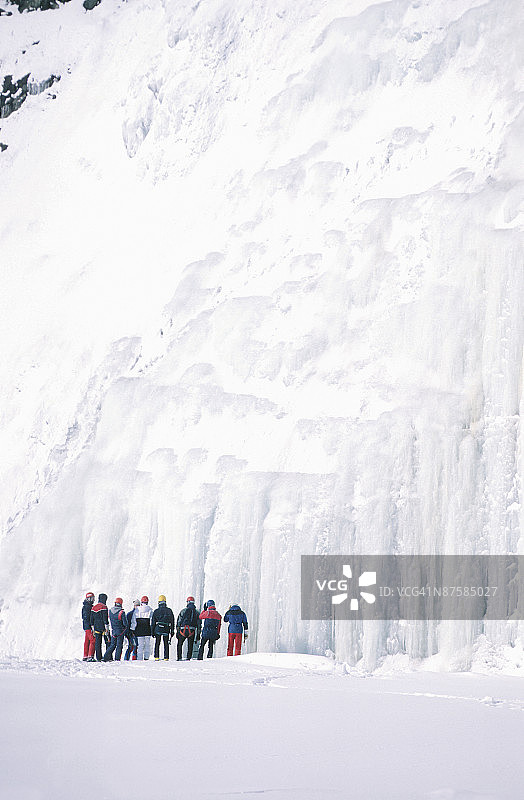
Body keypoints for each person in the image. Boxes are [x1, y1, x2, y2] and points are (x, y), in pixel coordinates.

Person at [176, 596, 201, 661]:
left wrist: (177, 631)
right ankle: (188, 658)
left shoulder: (183, 611)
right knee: (190, 645)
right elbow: (199, 624)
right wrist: (198, 634)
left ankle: (179, 657)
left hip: (183, 630)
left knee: (179, 644)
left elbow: (179, 620)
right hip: (192, 631)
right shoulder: (196, 612)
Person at [151, 595, 174, 661]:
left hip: (158, 628)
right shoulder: (169, 610)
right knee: (166, 643)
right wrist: (172, 631)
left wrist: (152, 632)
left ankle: (156, 657)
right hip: (166, 628)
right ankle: (166, 657)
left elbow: (153, 623)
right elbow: (172, 621)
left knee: (157, 642)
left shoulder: (156, 611)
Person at [90, 593, 110, 662]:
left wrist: (93, 628)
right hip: (103, 627)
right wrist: (107, 628)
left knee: (98, 643)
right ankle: (108, 657)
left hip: (96, 627)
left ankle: (99, 657)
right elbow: (105, 619)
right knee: (107, 642)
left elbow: (91, 619)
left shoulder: (93, 607)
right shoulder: (104, 607)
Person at [134, 595, 153, 660]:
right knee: (147, 644)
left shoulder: (137, 610)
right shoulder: (150, 610)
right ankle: (146, 657)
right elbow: (151, 621)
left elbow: (134, 621)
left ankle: (139, 658)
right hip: (147, 628)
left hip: (139, 629)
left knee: (140, 645)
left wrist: (133, 629)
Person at [82, 591, 96, 661]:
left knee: (87, 641)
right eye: (92, 598)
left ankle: (85, 656)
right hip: (89, 626)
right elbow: (87, 617)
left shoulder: (85, 606)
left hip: (86, 626)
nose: (93, 600)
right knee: (93, 640)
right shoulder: (88, 607)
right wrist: (92, 625)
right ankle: (90, 656)